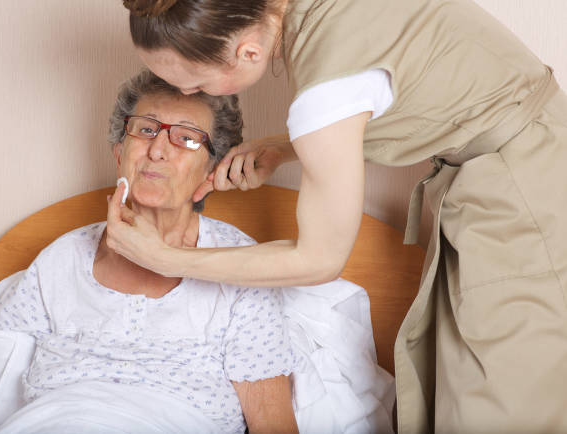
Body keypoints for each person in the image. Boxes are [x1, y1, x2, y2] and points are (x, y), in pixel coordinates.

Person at [105, 0, 567, 433]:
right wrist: (289, 148)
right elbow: (412, 80)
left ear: (247, 53)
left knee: (504, 402)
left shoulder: (325, 90)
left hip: (526, 189)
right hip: (534, 157)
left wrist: (167, 259)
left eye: (198, 85)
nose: (184, 94)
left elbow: (319, 262)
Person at [0, 69, 299, 434]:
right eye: (147, 129)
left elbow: (272, 421)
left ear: (210, 172)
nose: (158, 149)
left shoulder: (242, 266)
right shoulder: (62, 260)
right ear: (120, 153)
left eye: (186, 138)